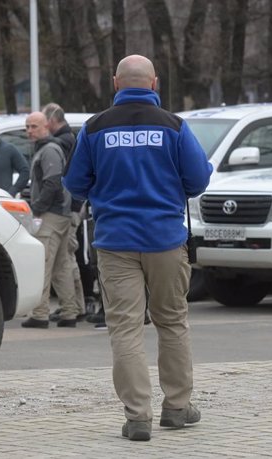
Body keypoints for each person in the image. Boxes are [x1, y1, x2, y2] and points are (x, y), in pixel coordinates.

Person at [63, 54, 212, 441]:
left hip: (115, 243)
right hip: (165, 239)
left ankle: (137, 417)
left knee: (125, 329)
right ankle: (177, 407)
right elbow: (197, 181)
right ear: (154, 83)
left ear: (116, 83)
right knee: (172, 322)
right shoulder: (174, 126)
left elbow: (76, 184)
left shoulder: (94, 128)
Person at [21, 111, 80, 329]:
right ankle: (69, 311)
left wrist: (36, 209)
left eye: (34, 126)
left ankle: (41, 313)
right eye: (27, 126)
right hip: (59, 213)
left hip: (51, 215)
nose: (29, 130)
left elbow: (52, 183)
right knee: (61, 265)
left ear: (46, 126)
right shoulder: (48, 149)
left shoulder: (49, 150)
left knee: (44, 264)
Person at [42, 103, 89, 323]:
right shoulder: (71, 139)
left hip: (69, 210)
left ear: (51, 121)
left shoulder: (60, 143)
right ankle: (77, 306)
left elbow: (65, 180)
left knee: (65, 260)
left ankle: (75, 305)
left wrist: (72, 209)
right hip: (74, 207)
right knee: (68, 258)